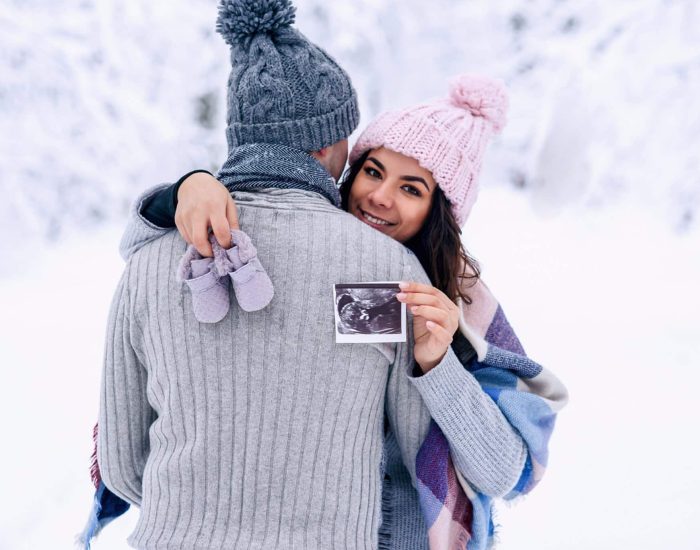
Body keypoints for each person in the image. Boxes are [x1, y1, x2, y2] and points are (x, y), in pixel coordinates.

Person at [83, 1, 539, 549]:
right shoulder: (376, 278)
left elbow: (124, 464)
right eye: (369, 169)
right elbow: (423, 446)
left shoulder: (153, 257)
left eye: (411, 188)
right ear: (332, 148)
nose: (377, 196)